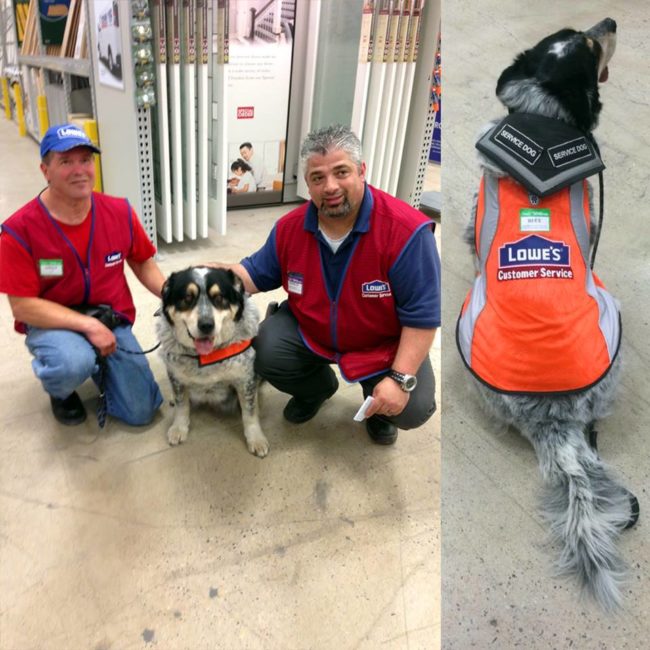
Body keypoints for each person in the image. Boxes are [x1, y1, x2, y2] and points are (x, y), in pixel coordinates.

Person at [218, 124, 440, 445]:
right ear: (307, 184)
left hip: (380, 345)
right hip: (313, 332)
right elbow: (253, 274)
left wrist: (398, 378)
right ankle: (316, 389)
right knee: (266, 348)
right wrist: (204, 278)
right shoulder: (289, 229)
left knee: (414, 407)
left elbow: (422, 318)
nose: (330, 186)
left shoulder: (407, 233)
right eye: (318, 178)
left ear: (362, 171)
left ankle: (377, 406)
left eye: (341, 172)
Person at [0, 123, 164, 427]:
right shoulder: (19, 231)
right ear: (45, 170)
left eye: (85, 160)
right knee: (71, 363)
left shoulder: (119, 212)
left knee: (141, 411)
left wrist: (173, 294)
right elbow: (22, 306)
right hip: (52, 322)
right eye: (66, 161)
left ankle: (99, 364)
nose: (79, 170)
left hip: (109, 317)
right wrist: (87, 326)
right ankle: (60, 389)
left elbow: (142, 262)